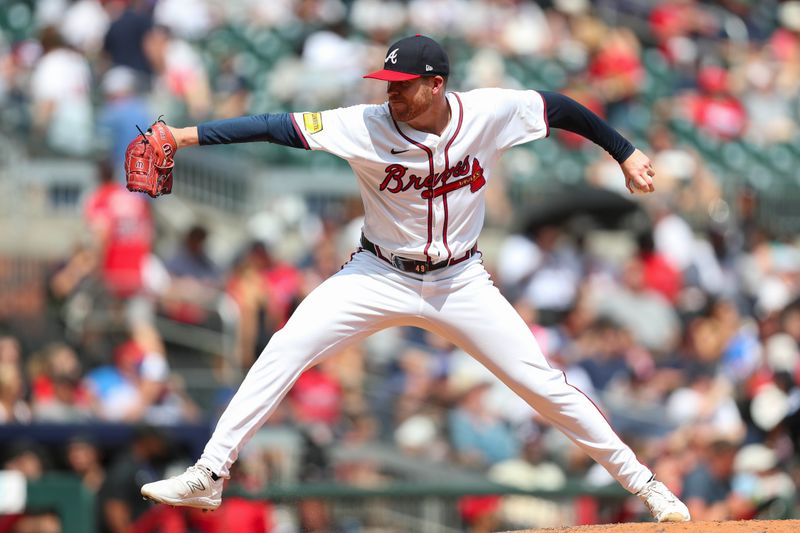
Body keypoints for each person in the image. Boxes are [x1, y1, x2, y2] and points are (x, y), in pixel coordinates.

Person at [139, 35, 690, 523]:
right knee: (286, 345)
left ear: (435, 85)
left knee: (543, 385)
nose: (391, 94)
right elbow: (270, 126)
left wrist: (625, 152)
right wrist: (182, 137)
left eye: (403, 85)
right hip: (377, 272)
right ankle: (210, 473)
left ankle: (648, 486)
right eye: (387, 83)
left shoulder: (488, 112)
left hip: (461, 281)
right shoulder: (363, 124)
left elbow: (562, 108)